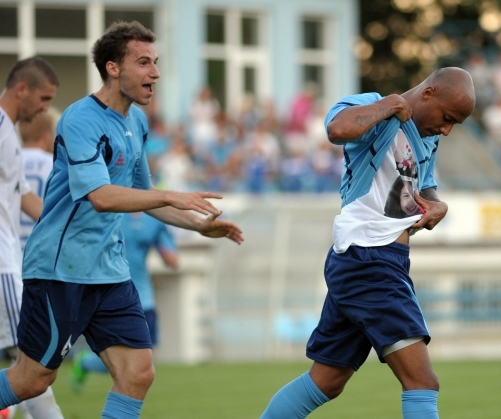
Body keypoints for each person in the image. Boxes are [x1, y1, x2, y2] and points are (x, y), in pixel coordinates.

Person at [0, 21, 244, 419]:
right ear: (113, 68)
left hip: (110, 271)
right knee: (32, 379)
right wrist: (170, 193)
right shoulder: (80, 119)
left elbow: (144, 200)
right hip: (61, 270)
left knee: (137, 372)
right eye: (144, 62)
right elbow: (100, 196)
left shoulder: (137, 122)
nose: (156, 73)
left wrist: (198, 225)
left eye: (156, 62)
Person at [259, 67, 475, 419]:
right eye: (447, 118)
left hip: (376, 260)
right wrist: (390, 104)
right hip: (369, 260)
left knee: (326, 381)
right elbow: (337, 129)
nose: (447, 129)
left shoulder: (428, 136)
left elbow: (425, 185)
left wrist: (438, 203)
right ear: (429, 93)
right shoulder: (374, 106)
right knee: (422, 381)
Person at [0, 57, 64, 419]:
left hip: (11, 264)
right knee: (34, 367)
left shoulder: (9, 133)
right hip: (3, 268)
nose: (44, 109)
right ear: (22, 89)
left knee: (32, 367)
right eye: (43, 99)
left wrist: (67, 224)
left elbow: (25, 197)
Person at [70, 211, 179, 392]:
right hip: (113, 293)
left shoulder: (154, 221)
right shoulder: (112, 212)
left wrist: (169, 252)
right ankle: (87, 363)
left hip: (143, 295)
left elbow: (172, 259)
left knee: (143, 356)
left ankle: (88, 363)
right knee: (125, 359)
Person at [19, 108, 60, 249]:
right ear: (48, 136)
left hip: (8, 250)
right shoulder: (55, 164)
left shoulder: (8, 162)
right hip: (41, 250)